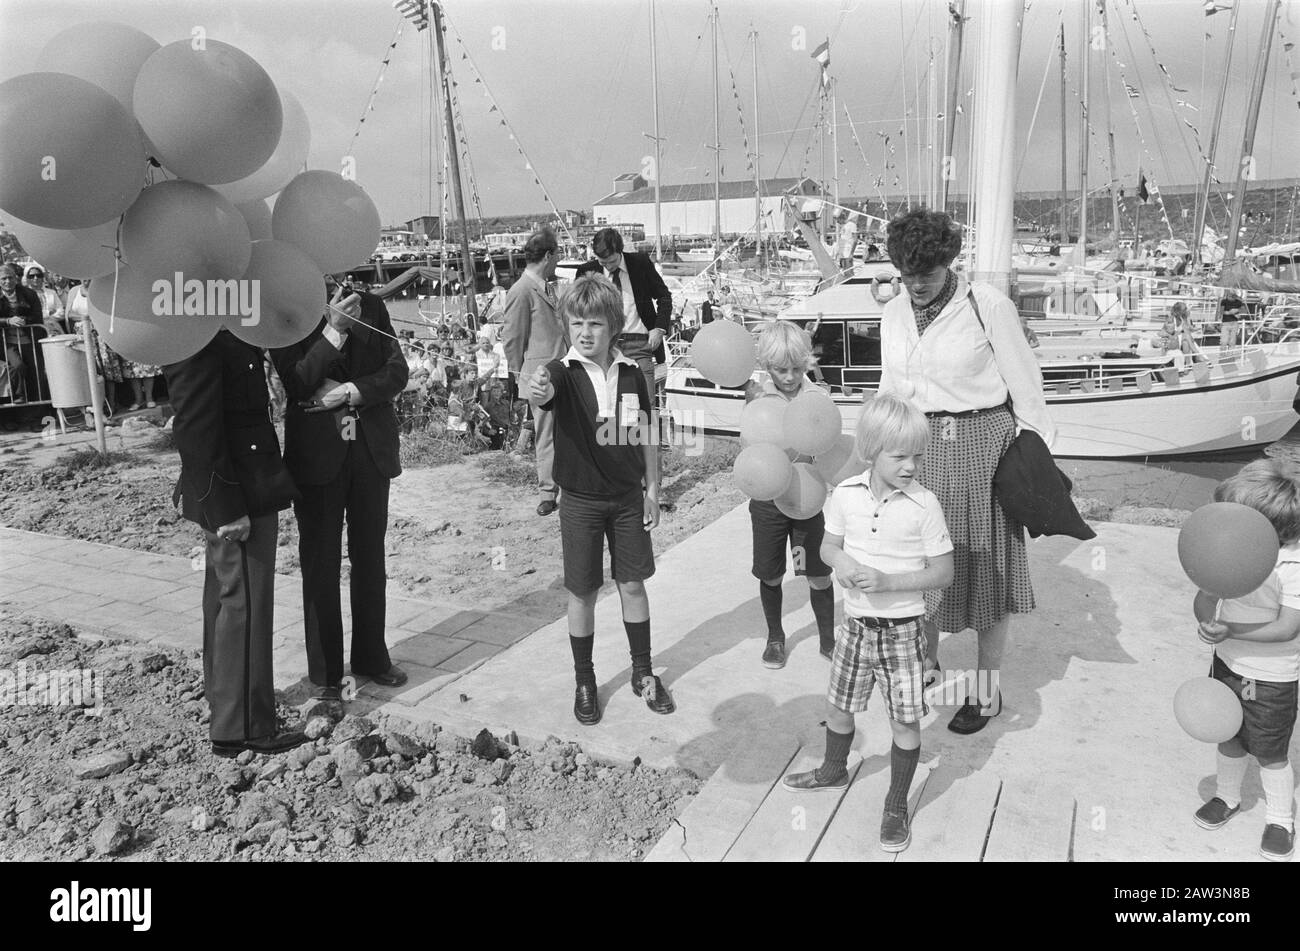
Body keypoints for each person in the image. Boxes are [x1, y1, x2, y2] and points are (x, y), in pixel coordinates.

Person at [877, 208, 1055, 735]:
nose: (915, 286)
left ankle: (986, 690)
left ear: (949, 262)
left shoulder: (987, 305)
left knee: (985, 573)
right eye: (906, 276)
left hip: (982, 446)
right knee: (921, 562)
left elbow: (1028, 391)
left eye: (925, 275)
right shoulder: (893, 314)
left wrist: (1032, 464)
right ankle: (926, 666)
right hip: (919, 449)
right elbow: (891, 390)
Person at [782, 395, 954, 853]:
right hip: (855, 630)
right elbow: (827, 547)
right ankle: (833, 770)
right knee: (838, 708)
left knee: (905, 723)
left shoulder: (925, 505)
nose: (912, 465)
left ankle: (896, 805)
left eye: (919, 455)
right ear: (871, 451)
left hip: (903, 634)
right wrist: (841, 563)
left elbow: (943, 572)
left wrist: (888, 580)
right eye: (900, 456)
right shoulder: (845, 496)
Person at [528, 274, 671, 725]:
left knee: (633, 585)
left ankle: (643, 671)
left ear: (613, 325)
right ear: (567, 328)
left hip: (629, 499)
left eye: (594, 323)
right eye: (576, 324)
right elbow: (544, 389)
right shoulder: (562, 373)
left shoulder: (631, 373)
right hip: (581, 504)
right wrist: (539, 390)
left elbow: (647, 434)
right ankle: (585, 679)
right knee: (583, 592)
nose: (585, 333)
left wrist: (653, 490)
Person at [162, 329, 307, 757]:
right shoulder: (199, 336)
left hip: (244, 483)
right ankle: (245, 726)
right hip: (237, 491)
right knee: (244, 606)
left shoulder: (219, 328)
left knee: (229, 602)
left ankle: (228, 706)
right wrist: (225, 507)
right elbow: (195, 425)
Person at [272, 279, 410, 697]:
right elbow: (296, 381)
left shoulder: (369, 303)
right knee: (321, 564)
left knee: (371, 558)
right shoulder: (285, 308)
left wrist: (353, 391)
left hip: (370, 449)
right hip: (318, 455)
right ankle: (327, 673)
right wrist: (333, 329)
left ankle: (372, 656)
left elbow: (397, 371)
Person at [1193, 459, 1300, 862]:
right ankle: (1227, 797)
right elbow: (1207, 597)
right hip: (1228, 664)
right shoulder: (1232, 553)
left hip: (1270, 677)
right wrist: (1207, 618)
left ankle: (1279, 818)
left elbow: (1288, 627)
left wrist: (1231, 631)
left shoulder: (1292, 566)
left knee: (1270, 751)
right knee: (1229, 735)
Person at [744, 321, 837, 669]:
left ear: (806, 363)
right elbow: (748, 446)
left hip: (805, 497)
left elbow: (828, 447)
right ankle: (775, 637)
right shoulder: (758, 399)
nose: (789, 376)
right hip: (768, 500)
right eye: (781, 370)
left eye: (797, 369)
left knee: (815, 570)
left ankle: (828, 639)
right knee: (770, 573)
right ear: (768, 367)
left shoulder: (817, 397)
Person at [576, 228, 673, 450]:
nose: (607, 266)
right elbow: (578, 312)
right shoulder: (587, 271)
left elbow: (664, 297)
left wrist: (659, 328)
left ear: (619, 251)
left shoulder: (640, 264)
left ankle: (649, 471)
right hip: (607, 348)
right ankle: (618, 463)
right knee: (609, 407)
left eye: (611, 261)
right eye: (602, 261)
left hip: (640, 344)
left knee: (645, 407)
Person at [502, 227, 566, 516]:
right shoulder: (521, 290)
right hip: (540, 376)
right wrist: (519, 377)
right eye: (557, 254)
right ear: (548, 255)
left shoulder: (544, 285)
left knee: (566, 432)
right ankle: (547, 492)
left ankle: (568, 486)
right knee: (547, 434)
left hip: (561, 371)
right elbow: (512, 339)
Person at [1, 262, 43, 404]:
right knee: (18, 366)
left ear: (16, 278)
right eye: (4, 278)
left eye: (10, 278)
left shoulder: (29, 294)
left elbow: (38, 316)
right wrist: (8, 321)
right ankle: (21, 398)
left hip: (29, 340)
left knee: (37, 373)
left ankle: (40, 410)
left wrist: (24, 320)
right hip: (9, 342)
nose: (8, 281)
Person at [25, 267, 67, 336]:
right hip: (35, 330)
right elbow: (32, 314)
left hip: (54, 327)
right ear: (28, 279)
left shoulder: (52, 292)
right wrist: (49, 313)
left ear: (42, 277)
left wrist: (49, 319)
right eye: (32, 276)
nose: (35, 278)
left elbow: (61, 312)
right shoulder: (25, 294)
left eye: (38, 275)